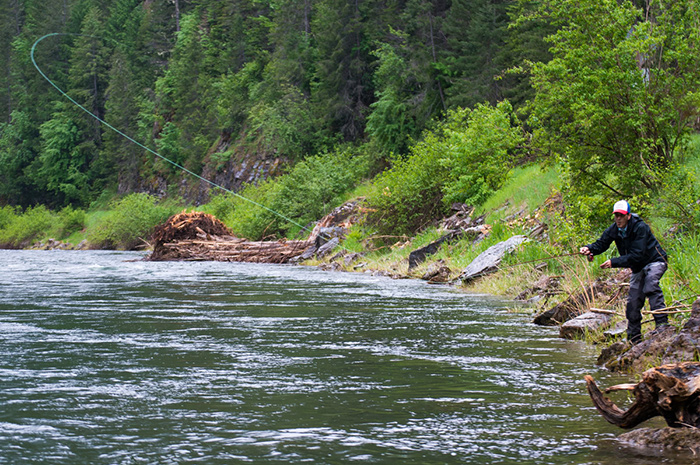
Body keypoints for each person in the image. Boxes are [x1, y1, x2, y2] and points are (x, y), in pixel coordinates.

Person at [579, 200, 668, 344]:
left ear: (628, 216)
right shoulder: (614, 229)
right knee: (633, 302)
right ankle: (634, 339)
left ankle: (663, 326)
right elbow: (601, 243)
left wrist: (613, 262)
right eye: (616, 215)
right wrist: (589, 249)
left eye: (621, 215)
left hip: (655, 261)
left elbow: (637, 254)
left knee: (651, 285)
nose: (618, 219)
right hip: (638, 267)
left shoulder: (641, 227)